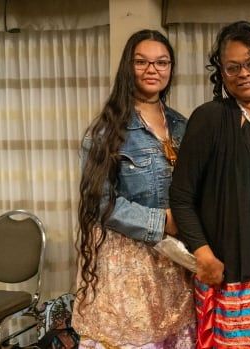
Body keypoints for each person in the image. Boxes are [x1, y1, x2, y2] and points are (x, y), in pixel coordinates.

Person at [169, 21, 250, 349]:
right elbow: (182, 196)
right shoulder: (211, 118)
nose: (244, 73)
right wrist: (203, 254)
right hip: (238, 269)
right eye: (233, 67)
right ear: (222, 72)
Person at [73, 30, 195, 348]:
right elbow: (97, 205)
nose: (152, 69)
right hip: (126, 269)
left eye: (161, 62)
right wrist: (162, 221)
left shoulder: (183, 125)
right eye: (141, 62)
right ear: (128, 67)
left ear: (171, 68)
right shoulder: (106, 130)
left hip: (174, 262)